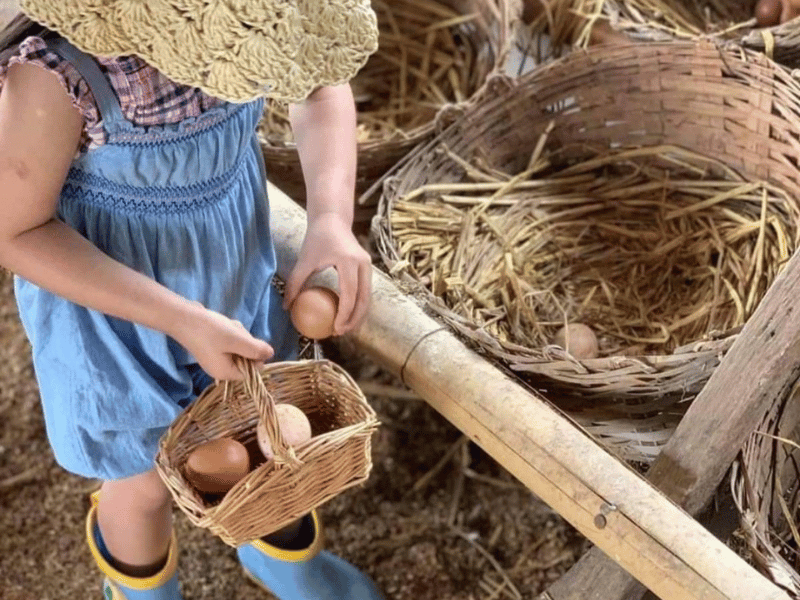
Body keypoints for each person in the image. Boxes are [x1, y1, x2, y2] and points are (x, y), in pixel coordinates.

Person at [0, 1, 382, 599]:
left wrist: (331, 220)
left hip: (232, 280)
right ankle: (143, 591)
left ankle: (284, 560)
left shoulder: (261, 20)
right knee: (143, 483)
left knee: (272, 439)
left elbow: (319, 89)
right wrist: (179, 319)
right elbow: (15, 231)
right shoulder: (60, 72)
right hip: (116, 322)